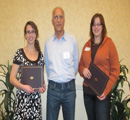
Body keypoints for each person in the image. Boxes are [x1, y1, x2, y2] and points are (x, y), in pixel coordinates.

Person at [78, 13, 120, 120]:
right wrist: (83, 70)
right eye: (94, 25)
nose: (96, 27)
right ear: (91, 27)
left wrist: (105, 91)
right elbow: (80, 65)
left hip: (102, 93)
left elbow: (116, 70)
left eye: (98, 24)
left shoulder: (109, 44)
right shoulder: (87, 45)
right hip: (87, 92)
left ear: (103, 27)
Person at [44, 7, 79, 120]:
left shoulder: (72, 40)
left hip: (69, 89)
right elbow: (48, 67)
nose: (58, 20)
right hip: (53, 90)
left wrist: (68, 78)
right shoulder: (48, 43)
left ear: (64, 20)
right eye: (56, 17)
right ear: (52, 21)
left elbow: (76, 65)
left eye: (61, 17)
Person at [10, 21, 46, 120]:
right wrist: (23, 87)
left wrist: (42, 86)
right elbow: (12, 78)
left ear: (36, 34)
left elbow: (41, 79)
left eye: (33, 32)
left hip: (35, 102)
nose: (30, 35)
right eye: (28, 32)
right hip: (22, 101)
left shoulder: (41, 55)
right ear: (25, 35)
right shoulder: (19, 53)